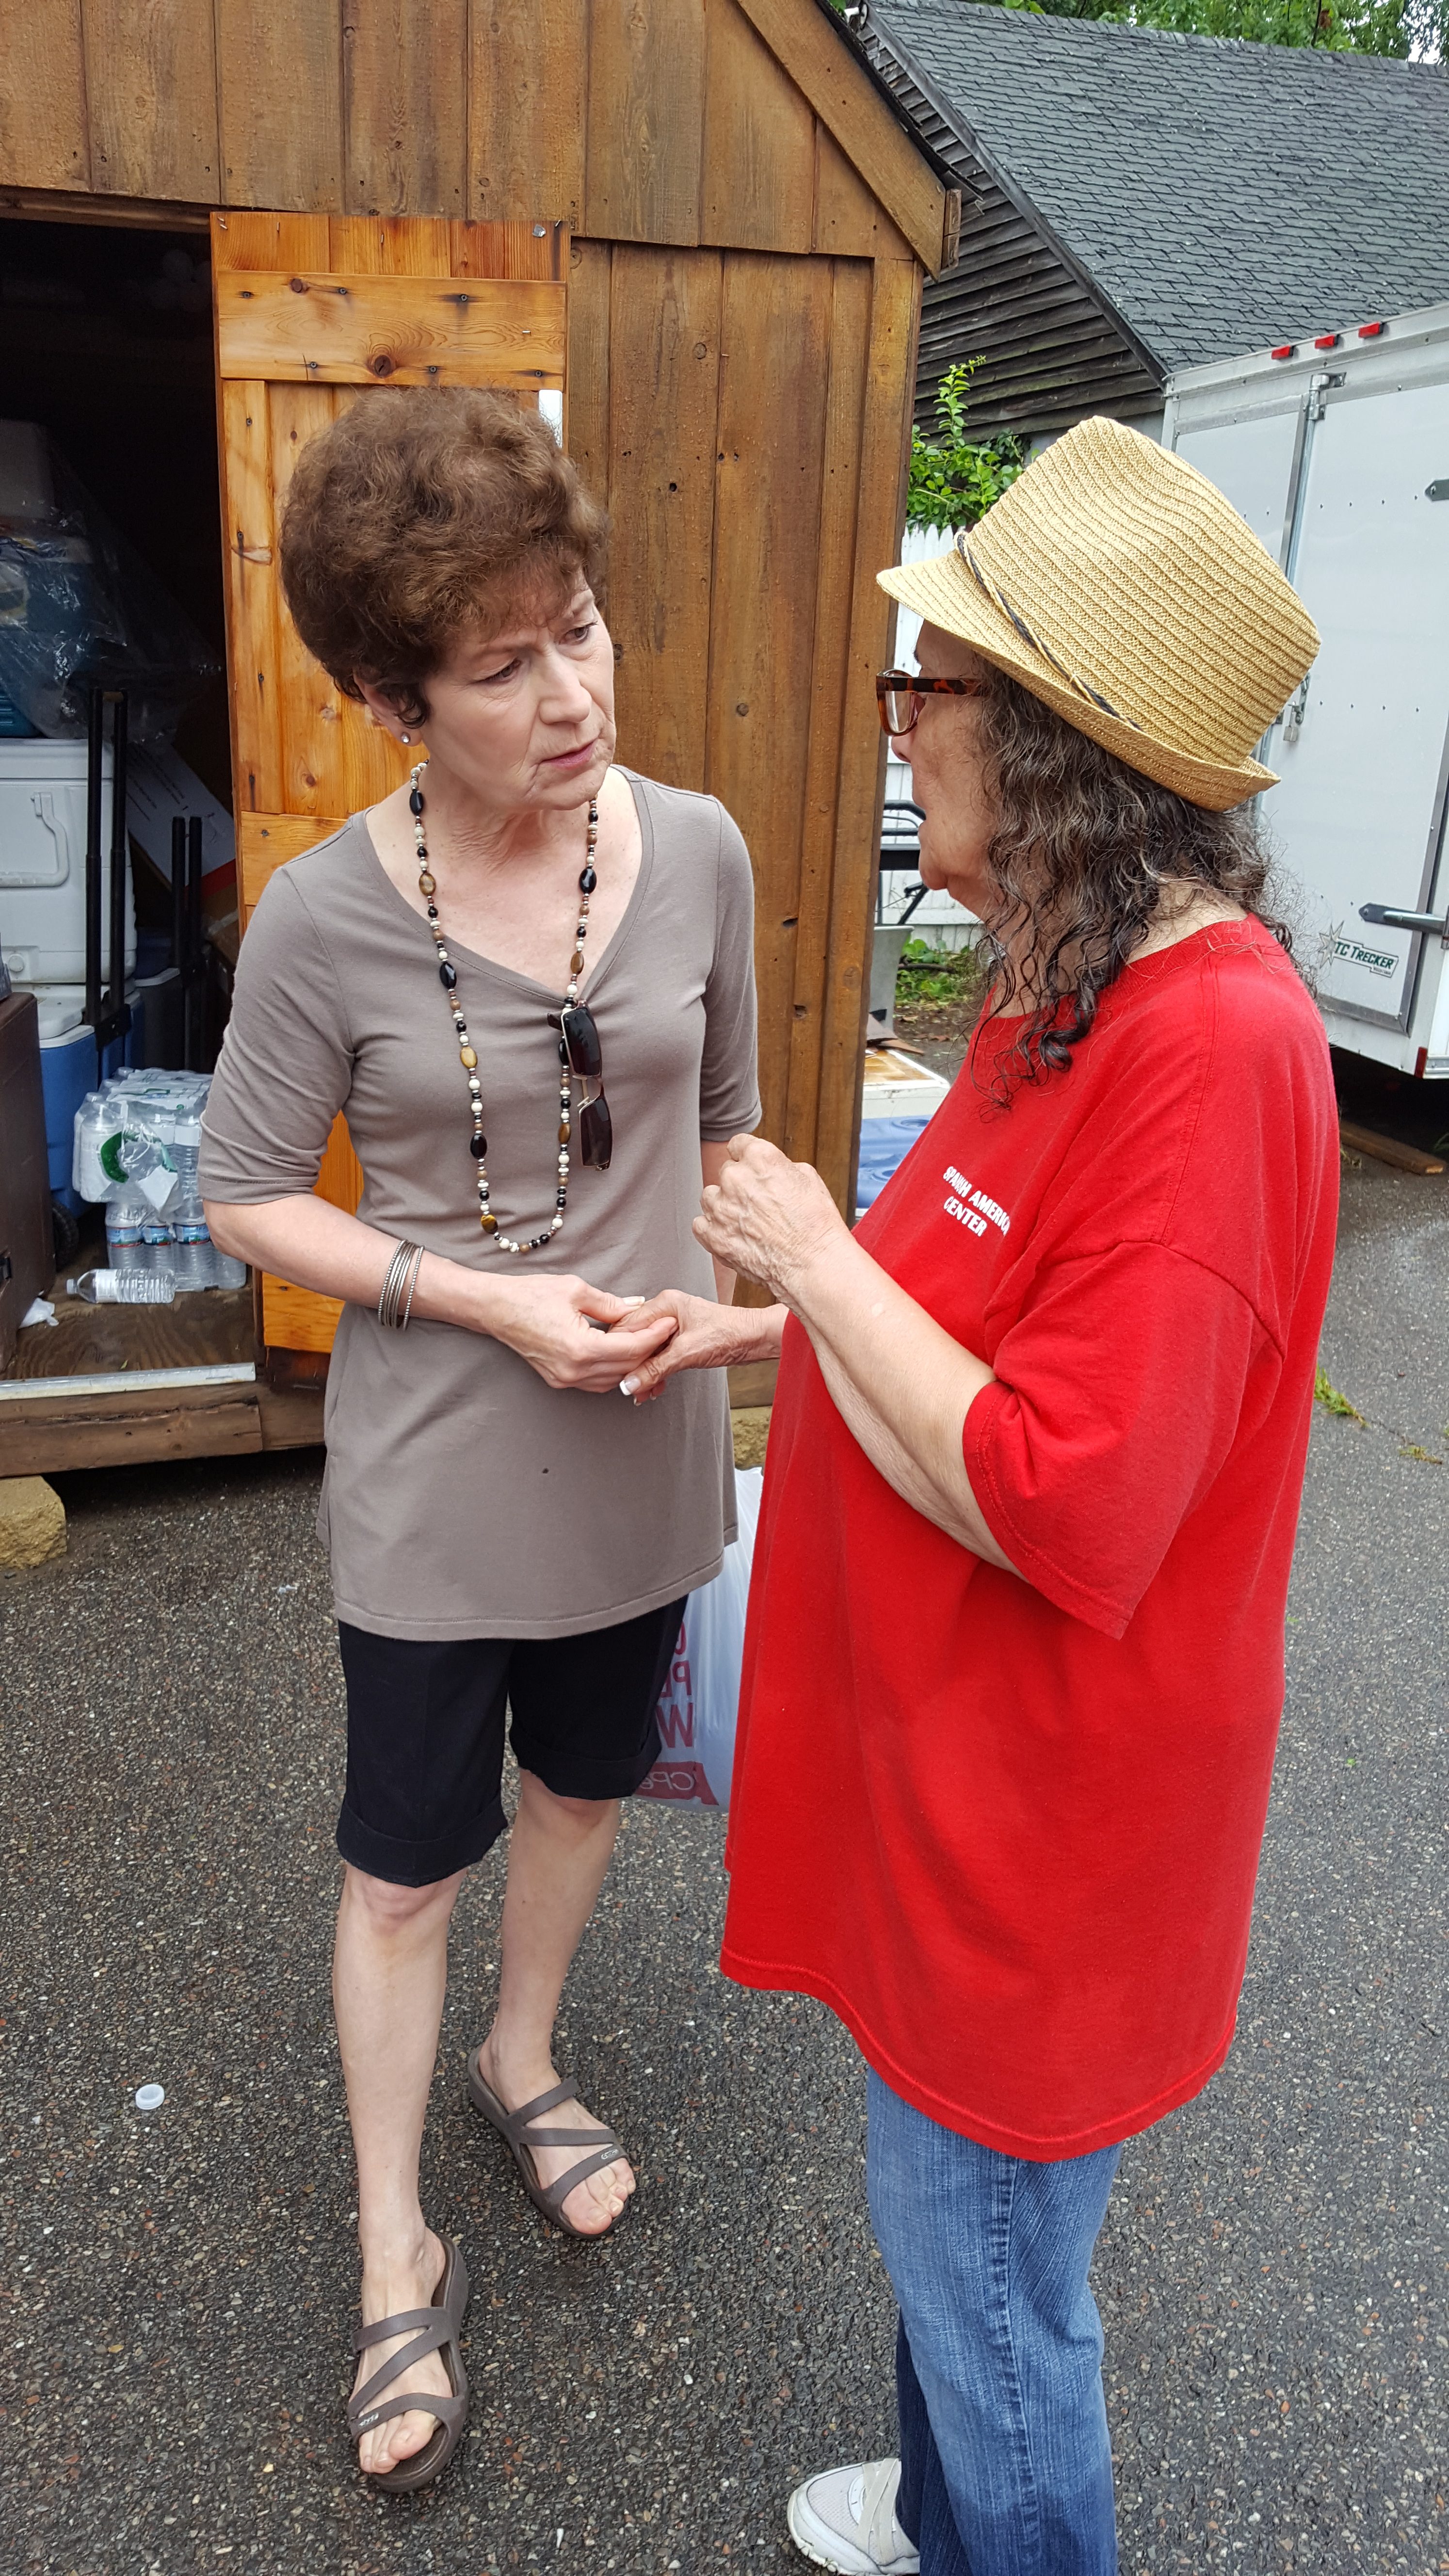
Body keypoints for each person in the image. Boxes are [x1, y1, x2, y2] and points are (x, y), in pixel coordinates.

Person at [621, 418, 1336, 2575]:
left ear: (1046, 747)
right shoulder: (1061, 987)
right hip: (952, 1783)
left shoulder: (1210, 1051)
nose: (899, 727)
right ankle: (947, 2518)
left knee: (998, 2289)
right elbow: (971, 1314)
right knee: (956, 2244)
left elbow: (1072, 1498)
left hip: (1051, 1832)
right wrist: (759, 1329)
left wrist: (811, 1256)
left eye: (923, 688)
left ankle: (995, 2526)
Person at [198, 387, 759, 2494]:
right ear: (390, 698)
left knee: (589, 1785)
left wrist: (748, 1309)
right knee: (402, 1863)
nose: (570, 696)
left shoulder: (699, 849)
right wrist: (483, 1293)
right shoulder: (322, 917)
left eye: (580, 629)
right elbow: (246, 1194)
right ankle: (394, 2242)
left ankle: (525, 2058)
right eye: (503, 664)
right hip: (437, 1479)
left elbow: (728, 1137)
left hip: (645, 1451)